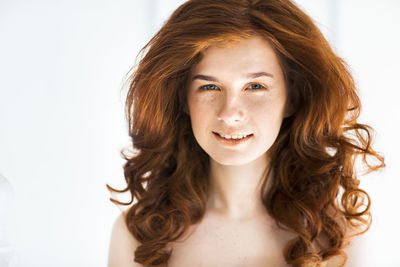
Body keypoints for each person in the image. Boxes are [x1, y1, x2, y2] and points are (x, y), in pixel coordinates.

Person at [106, 0, 385, 266]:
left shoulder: (343, 238)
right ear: (182, 99)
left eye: (255, 87)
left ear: (293, 97)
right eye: (209, 87)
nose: (230, 113)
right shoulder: (137, 236)